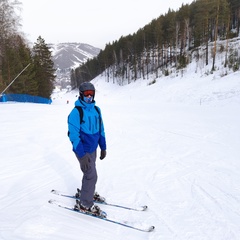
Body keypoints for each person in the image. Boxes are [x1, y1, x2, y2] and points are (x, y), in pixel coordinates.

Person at [67, 82, 107, 215]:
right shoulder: (76, 112)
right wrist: (82, 155)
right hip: (82, 150)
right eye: (86, 94)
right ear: (81, 95)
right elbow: (74, 136)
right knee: (91, 175)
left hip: (93, 149)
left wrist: (103, 147)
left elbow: (101, 130)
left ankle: (87, 192)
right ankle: (85, 204)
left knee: (89, 173)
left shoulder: (97, 110)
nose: (89, 97)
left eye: (91, 94)